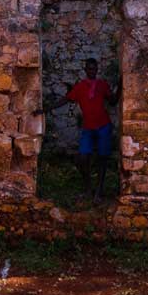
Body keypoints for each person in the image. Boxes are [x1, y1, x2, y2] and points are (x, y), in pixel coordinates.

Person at [41, 58, 118, 198]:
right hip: (88, 127)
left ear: (97, 69)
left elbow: (112, 102)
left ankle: (99, 191)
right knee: (82, 158)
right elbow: (66, 99)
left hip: (103, 126)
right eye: (89, 69)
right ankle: (88, 188)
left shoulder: (102, 85)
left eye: (94, 69)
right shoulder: (80, 86)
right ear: (85, 70)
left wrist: (121, 85)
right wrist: (46, 109)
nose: (92, 71)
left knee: (103, 158)